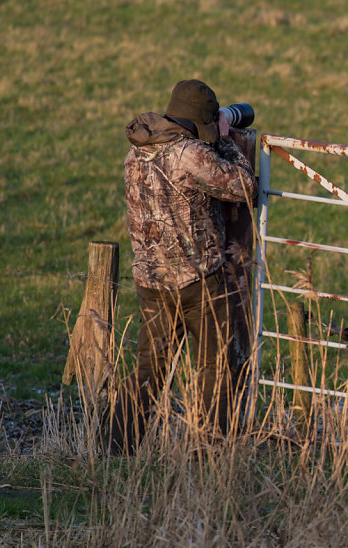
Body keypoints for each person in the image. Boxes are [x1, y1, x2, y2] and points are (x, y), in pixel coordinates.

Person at [110, 79, 257, 454]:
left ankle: (112, 448)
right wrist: (224, 139)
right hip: (198, 283)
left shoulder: (136, 150)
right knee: (216, 369)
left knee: (150, 370)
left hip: (151, 281)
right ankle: (211, 453)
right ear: (200, 123)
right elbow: (244, 187)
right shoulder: (189, 154)